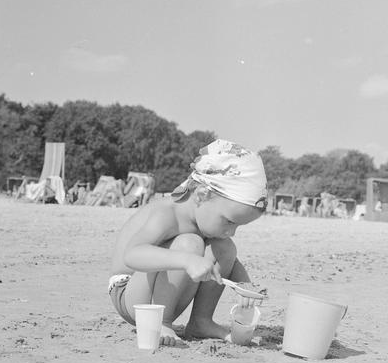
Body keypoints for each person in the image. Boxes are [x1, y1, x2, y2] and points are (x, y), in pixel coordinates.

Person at [108, 139, 268, 347]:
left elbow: (230, 262)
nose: (232, 231)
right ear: (202, 195)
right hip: (130, 294)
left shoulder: (206, 219)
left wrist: (244, 285)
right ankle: (162, 322)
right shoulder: (166, 213)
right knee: (190, 244)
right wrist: (185, 260)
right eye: (229, 221)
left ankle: (201, 321)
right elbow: (132, 255)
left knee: (225, 247)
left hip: (161, 295)